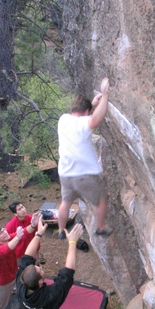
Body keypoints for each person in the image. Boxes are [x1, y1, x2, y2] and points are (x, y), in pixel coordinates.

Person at [57, 77, 112, 239]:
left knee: (65, 202)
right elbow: (96, 119)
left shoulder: (63, 120)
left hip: (65, 174)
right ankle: (100, 228)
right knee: (101, 199)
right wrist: (105, 95)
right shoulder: (84, 124)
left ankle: (61, 231)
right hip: (85, 174)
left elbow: (83, 117)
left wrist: (93, 105)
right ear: (87, 113)